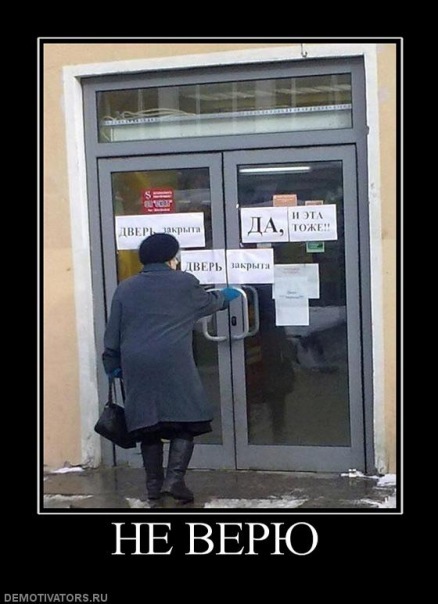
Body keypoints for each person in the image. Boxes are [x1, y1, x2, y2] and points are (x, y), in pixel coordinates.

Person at [102, 233, 241, 503]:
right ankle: (174, 481)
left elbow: (113, 331)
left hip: (136, 363)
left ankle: (154, 488)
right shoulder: (184, 282)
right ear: (170, 258)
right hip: (173, 361)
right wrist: (229, 295)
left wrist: (112, 363)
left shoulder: (125, 288)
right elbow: (208, 303)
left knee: (147, 425)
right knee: (187, 419)